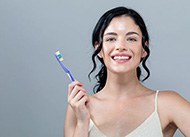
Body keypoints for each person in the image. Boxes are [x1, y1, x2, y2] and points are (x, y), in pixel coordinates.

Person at [64, 6, 190, 137]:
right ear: (99, 48)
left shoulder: (167, 104)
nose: (121, 47)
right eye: (111, 39)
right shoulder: (77, 108)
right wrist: (82, 123)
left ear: (144, 48)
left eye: (131, 39)